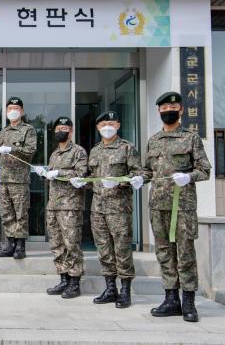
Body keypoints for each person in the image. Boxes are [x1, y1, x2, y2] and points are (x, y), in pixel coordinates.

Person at [143, 91, 211, 322]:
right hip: (158, 206)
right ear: (159, 112)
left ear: (181, 110)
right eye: (163, 109)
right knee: (164, 253)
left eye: (172, 108)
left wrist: (189, 177)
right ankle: (171, 299)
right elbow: (147, 171)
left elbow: (205, 170)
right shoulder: (153, 140)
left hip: (182, 207)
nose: (168, 112)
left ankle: (189, 301)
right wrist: (138, 179)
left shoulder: (191, 138)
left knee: (185, 254)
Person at [86, 111, 144, 308]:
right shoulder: (94, 151)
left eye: (111, 123)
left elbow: (139, 174)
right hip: (98, 208)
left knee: (122, 249)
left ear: (118, 125)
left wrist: (120, 183)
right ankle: (110, 288)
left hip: (119, 208)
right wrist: (79, 181)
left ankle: (125, 291)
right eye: (103, 124)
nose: (107, 127)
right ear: (98, 128)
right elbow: (90, 177)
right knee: (104, 249)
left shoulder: (127, 147)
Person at [34, 117, 87, 299]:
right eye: (58, 128)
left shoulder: (78, 151)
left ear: (71, 131)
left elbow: (81, 174)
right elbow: (52, 177)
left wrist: (59, 173)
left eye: (64, 128)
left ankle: (74, 282)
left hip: (70, 206)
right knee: (57, 244)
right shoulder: (55, 154)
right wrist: (44, 173)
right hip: (54, 205)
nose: (61, 131)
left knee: (71, 244)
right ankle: (63, 278)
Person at [0, 97, 37, 259]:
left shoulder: (28, 130)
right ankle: (10, 243)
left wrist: (12, 149)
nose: (12, 111)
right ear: (6, 112)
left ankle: (20, 246)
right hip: (4, 179)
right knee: (6, 213)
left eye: (15, 108)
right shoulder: (4, 131)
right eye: (9, 109)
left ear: (21, 111)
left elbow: (30, 151)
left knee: (20, 213)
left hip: (19, 179)